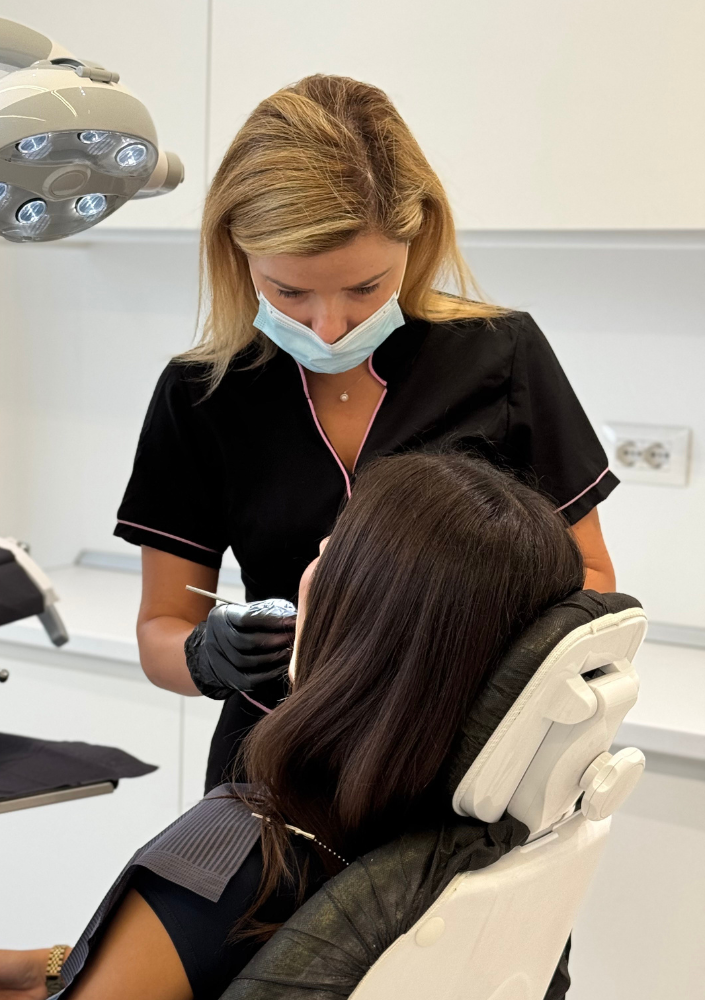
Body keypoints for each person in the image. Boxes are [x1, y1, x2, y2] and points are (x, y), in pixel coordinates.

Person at [0, 452, 586, 1000]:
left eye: (331, 552)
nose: (312, 564)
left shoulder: (241, 850)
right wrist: (64, 966)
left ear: (364, 628)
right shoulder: (478, 840)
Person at [113, 74, 618, 792]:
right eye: (289, 291)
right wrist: (206, 657)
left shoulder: (501, 358)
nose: (329, 326)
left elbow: (592, 583)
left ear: (419, 238)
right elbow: (162, 627)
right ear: (237, 253)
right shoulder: (202, 394)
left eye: (364, 288)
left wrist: (456, 647)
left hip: (461, 764)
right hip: (273, 761)